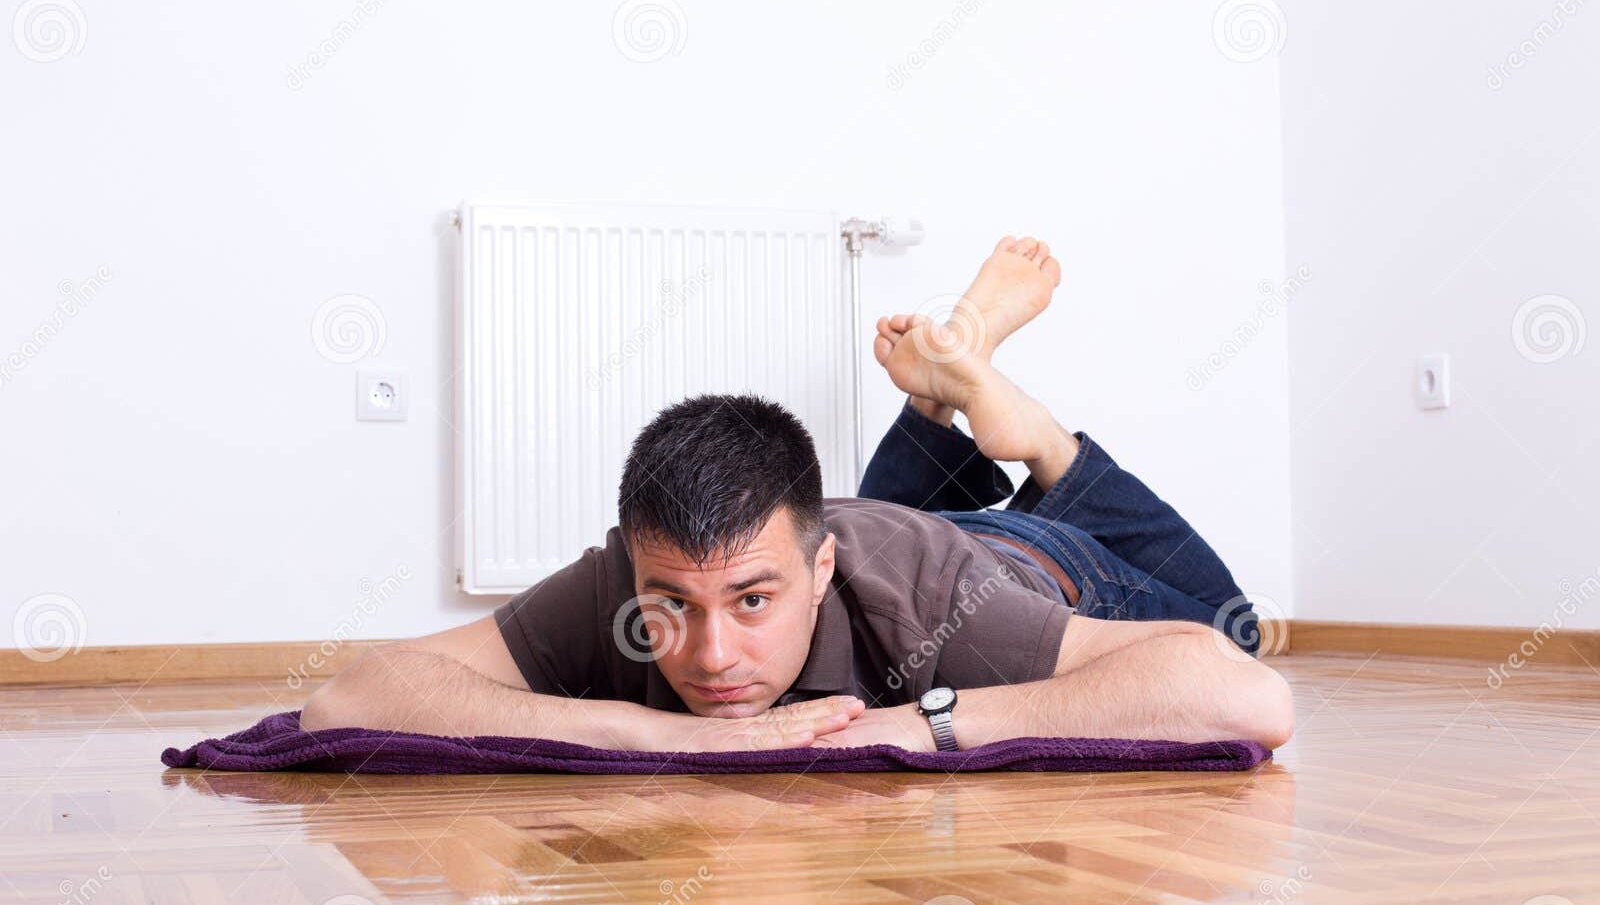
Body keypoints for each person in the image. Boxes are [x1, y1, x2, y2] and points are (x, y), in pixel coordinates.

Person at [301, 237, 1292, 754]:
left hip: (1029, 567)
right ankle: (937, 405)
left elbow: (1242, 696)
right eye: (672, 609)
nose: (712, 656)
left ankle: (1037, 443)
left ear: (814, 576)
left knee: (1231, 621)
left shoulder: (938, 605)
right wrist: (649, 731)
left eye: (752, 604)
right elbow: (354, 695)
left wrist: (921, 723)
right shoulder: (629, 577)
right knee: (867, 532)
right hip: (885, 538)